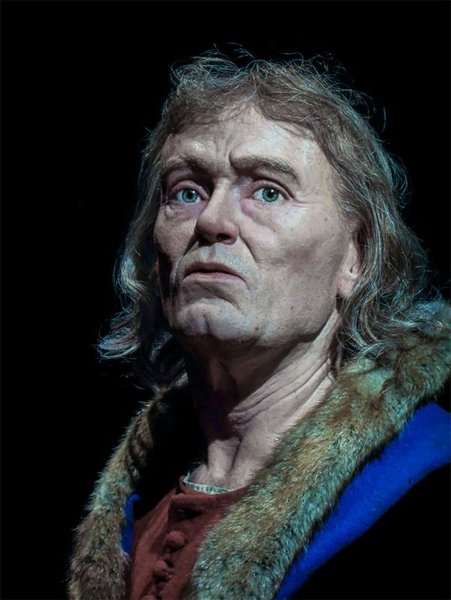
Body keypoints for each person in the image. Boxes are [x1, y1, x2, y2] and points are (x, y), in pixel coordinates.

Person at [68, 52, 450, 600]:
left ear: (358, 257)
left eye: (268, 191)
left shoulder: (425, 483)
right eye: (186, 192)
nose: (212, 221)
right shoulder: (135, 497)